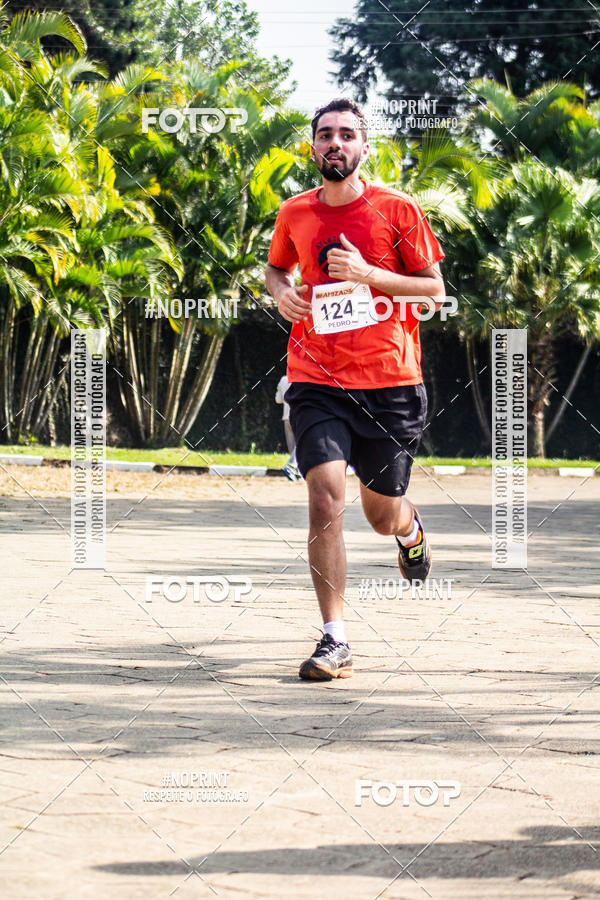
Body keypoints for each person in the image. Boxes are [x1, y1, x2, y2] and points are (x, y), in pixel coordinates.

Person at [264, 97, 446, 682]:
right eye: (325, 135)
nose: (334, 143)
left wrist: (369, 275)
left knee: (380, 515)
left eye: (346, 135)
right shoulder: (294, 212)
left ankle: (411, 531)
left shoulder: (397, 209)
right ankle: (334, 638)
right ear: (313, 146)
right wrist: (279, 292)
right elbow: (276, 267)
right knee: (324, 496)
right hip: (317, 376)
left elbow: (432, 291)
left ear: (365, 147)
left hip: (390, 382)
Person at [275, 373, 301, 481]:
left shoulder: (283, 379)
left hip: (286, 416)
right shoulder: (302, 379)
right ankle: (292, 467)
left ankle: (295, 472)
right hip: (299, 415)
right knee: (300, 442)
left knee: (292, 446)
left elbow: (278, 400)